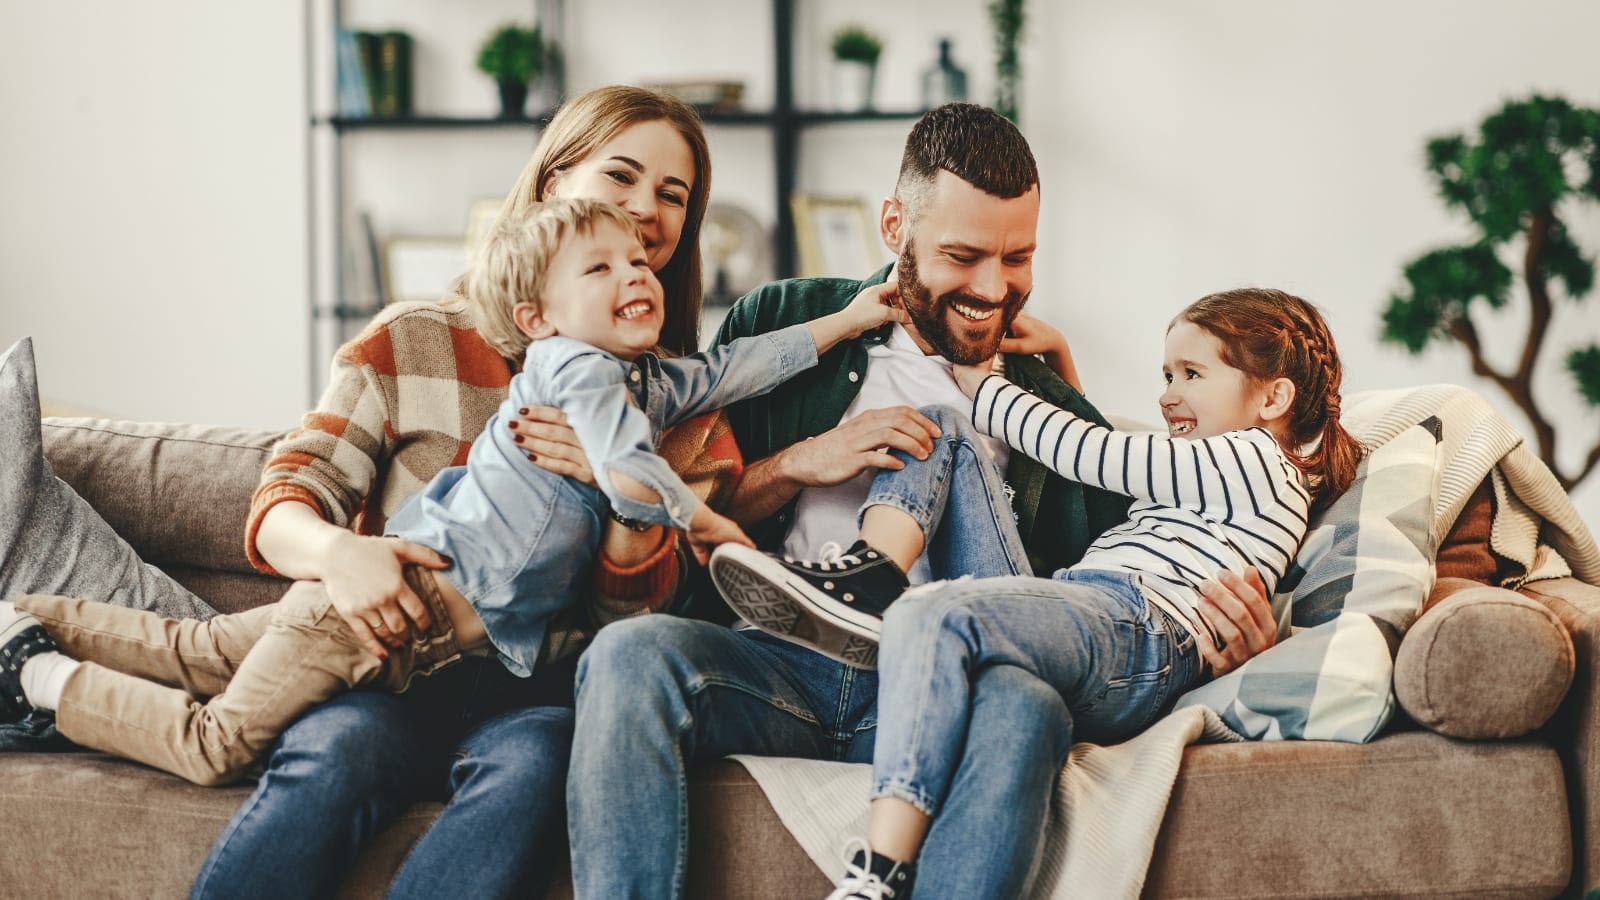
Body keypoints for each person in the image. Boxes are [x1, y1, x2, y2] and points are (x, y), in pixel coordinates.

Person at [565, 102, 1286, 898]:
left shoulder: (1041, 399)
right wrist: (801, 462)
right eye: (963, 254)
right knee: (629, 658)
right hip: (779, 666)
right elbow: (690, 505)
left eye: (1018, 258)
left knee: (1026, 702)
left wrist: (1231, 638)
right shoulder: (785, 319)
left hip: (942, 684)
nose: (992, 287)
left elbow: (1119, 597)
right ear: (893, 225)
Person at [0, 197, 903, 788]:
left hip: (409, 642)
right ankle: (39, 677)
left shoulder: (645, 382)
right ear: (536, 320)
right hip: (376, 612)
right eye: (602, 268)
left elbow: (738, 366)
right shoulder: (574, 368)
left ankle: (19, 614)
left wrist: (850, 320)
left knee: (190, 646)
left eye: (642, 262)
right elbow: (629, 468)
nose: (637, 275)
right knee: (215, 746)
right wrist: (714, 528)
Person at [201, 85, 725, 899]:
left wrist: (617, 484)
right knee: (334, 754)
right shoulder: (414, 337)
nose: (645, 210)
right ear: (553, 184)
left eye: (672, 196)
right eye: (620, 178)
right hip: (389, 667)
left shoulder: (679, 405)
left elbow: (634, 630)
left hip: (535, 694)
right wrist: (341, 554)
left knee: (534, 770)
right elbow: (285, 501)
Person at [723, 287, 1362, 898]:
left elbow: (1093, 455)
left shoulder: (1255, 459)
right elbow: (1117, 482)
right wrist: (1061, 362)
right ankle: (870, 573)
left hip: (1137, 625)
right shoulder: (1217, 477)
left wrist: (979, 376)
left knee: (934, 614)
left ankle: (881, 866)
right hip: (1090, 614)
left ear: (1274, 396)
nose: (1168, 396)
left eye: (1191, 374)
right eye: (1166, 376)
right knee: (937, 426)